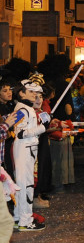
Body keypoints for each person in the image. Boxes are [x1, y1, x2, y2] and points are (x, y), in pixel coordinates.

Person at [12, 80, 46, 231]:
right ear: (21, 93)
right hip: (24, 149)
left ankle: (19, 218)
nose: (35, 95)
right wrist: (42, 127)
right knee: (26, 185)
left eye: (36, 92)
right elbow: (21, 133)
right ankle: (25, 221)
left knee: (23, 185)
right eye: (31, 92)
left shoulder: (26, 108)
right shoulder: (23, 110)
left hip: (28, 149)